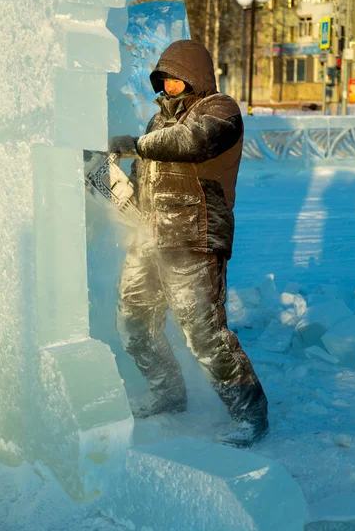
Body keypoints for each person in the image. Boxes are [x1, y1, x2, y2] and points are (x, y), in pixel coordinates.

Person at [109, 39, 268, 446]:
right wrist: (123, 194)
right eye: (162, 82)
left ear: (194, 76)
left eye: (175, 81)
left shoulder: (220, 110)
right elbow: (152, 178)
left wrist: (136, 146)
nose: (167, 89)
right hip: (150, 238)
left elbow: (191, 142)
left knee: (204, 334)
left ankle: (250, 415)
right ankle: (167, 393)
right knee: (134, 324)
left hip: (195, 239)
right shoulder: (158, 124)